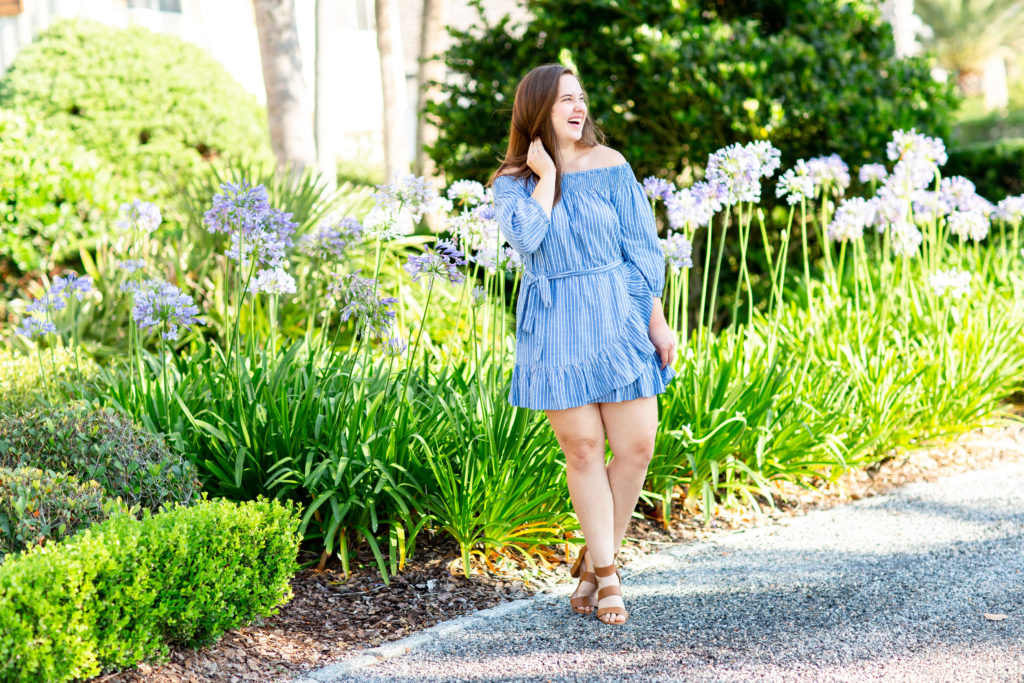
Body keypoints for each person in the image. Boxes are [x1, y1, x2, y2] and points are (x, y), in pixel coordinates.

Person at [489, 64, 677, 626]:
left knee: (637, 445)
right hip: (556, 327)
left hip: (618, 315)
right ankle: (610, 574)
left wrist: (657, 321)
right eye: (565, 99)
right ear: (538, 110)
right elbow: (527, 239)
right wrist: (545, 179)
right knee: (585, 450)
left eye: (581, 97)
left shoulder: (613, 165)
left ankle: (595, 563)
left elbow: (642, 250)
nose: (579, 107)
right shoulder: (511, 183)